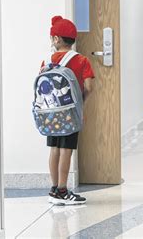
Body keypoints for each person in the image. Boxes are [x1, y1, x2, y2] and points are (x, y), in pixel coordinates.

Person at [45, 16, 95, 205]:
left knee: (54, 148)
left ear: (57, 39)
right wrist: (81, 102)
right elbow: (89, 87)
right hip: (70, 113)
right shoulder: (81, 60)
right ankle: (63, 190)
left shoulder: (47, 60)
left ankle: (54, 188)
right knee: (67, 149)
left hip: (50, 113)